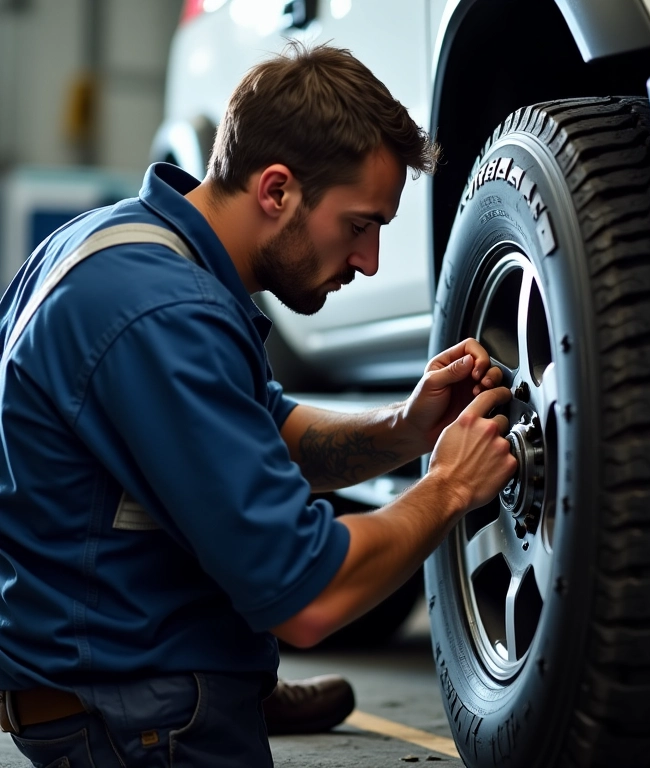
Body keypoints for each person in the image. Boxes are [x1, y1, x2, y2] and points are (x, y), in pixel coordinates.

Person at [0, 42, 517, 767]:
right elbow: (310, 600)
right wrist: (450, 486)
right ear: (276, 191)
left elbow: (267, 433)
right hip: (138, 722)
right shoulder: (162, 312)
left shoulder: (122, 251)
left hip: (124, 698)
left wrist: (410, 427)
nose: (368, 261)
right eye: (360, 225)